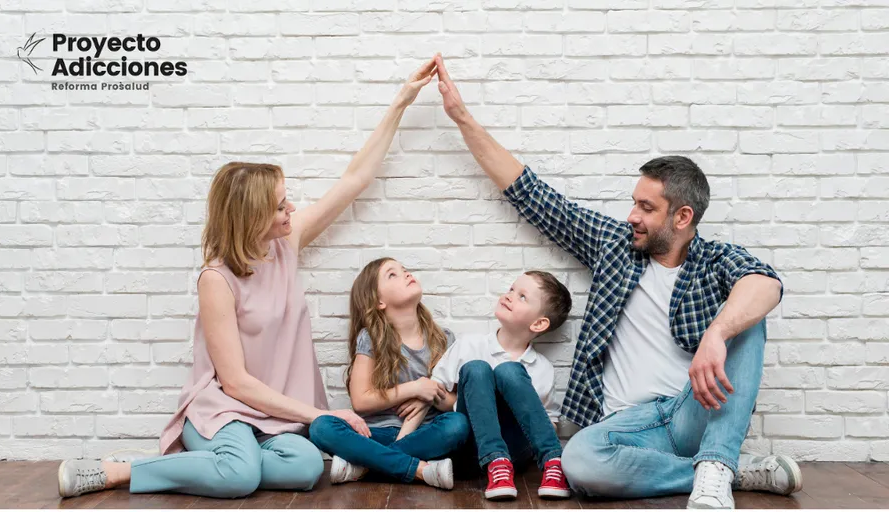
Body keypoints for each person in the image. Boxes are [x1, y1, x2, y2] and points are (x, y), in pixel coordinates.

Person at [55, 57, 440, 500]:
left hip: (278, 416)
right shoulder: (216, 279)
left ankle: (226, 464)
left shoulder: (286, 244)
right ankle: (123, 470)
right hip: (227, 411)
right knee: (240, 477)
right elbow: (234, 382)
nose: (290, 210)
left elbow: (353, 179)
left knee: (306, 466)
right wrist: (318, 415)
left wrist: (400, 103)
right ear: (251, 216)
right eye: (279, 206)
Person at [432, 53, 803, 509]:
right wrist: (462, 118)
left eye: (647, 208)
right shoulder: (614, 245)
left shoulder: (714, 260)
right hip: (626, 426)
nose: (632, 216)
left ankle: (715, 463)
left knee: (749, 317)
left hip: (692, 412)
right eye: (634, 203)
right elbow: (533, 194)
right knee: (580, 462)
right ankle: (724, 470)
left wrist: (718, 333)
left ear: (682, 217)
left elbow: (766, 283)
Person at [308, 258, 471, 490]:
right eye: (392, 275)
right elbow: (361, 401)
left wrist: (432, 393)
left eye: (404, 269)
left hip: (424, 435)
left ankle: (365, 467)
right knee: (321, 426)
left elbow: (455, 403)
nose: (406, 274)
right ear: (379, 301)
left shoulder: (444, 339)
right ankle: (420, 470)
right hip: (378, 434)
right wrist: (414, 388)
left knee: (457, 424)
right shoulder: (371, 338)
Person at [431, 271, 573, 501]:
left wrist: (525, 412)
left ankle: (553, 463)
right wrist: (473, 403)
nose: (509, 296)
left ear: (538, 323)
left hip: (516, 452)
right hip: (471, 449)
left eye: (522, 297)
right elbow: (435, 391)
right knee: (477, 368)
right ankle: (495, 461)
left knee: (509, 371)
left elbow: (551, 422)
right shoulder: (469, 345)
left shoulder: (542, 368)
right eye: (511, 289)